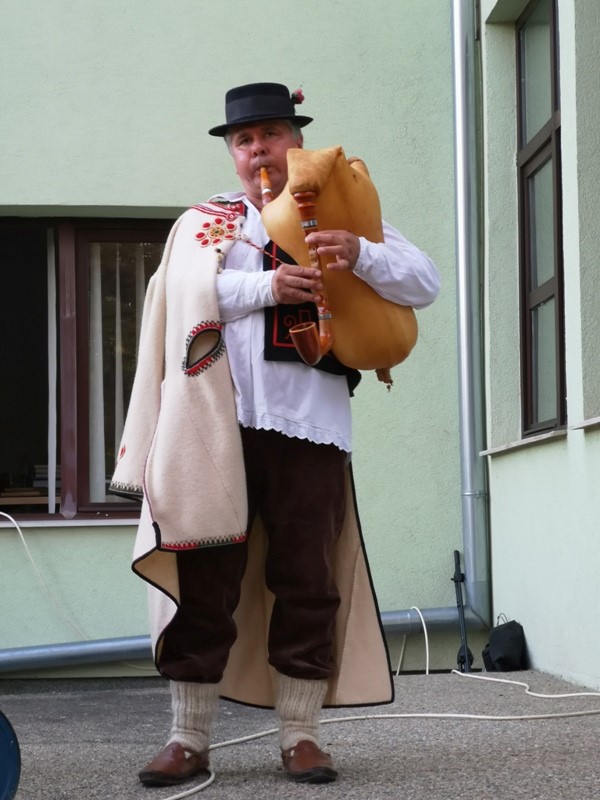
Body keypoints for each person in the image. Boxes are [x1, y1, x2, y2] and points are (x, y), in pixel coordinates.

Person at [110, 82, 440, 788]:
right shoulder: (205, 223)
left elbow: (425, 283)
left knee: (307, 579)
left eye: (270, 135)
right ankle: (187, 738)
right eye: (244, 140)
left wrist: (360, 253)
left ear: (296, 143)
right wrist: (269, 287)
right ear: (232, 154)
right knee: (203, 575)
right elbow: (175, 297)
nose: (258, 150)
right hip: (211, 430)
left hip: (309, 427)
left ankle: (301, 736)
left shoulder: (341, 214)